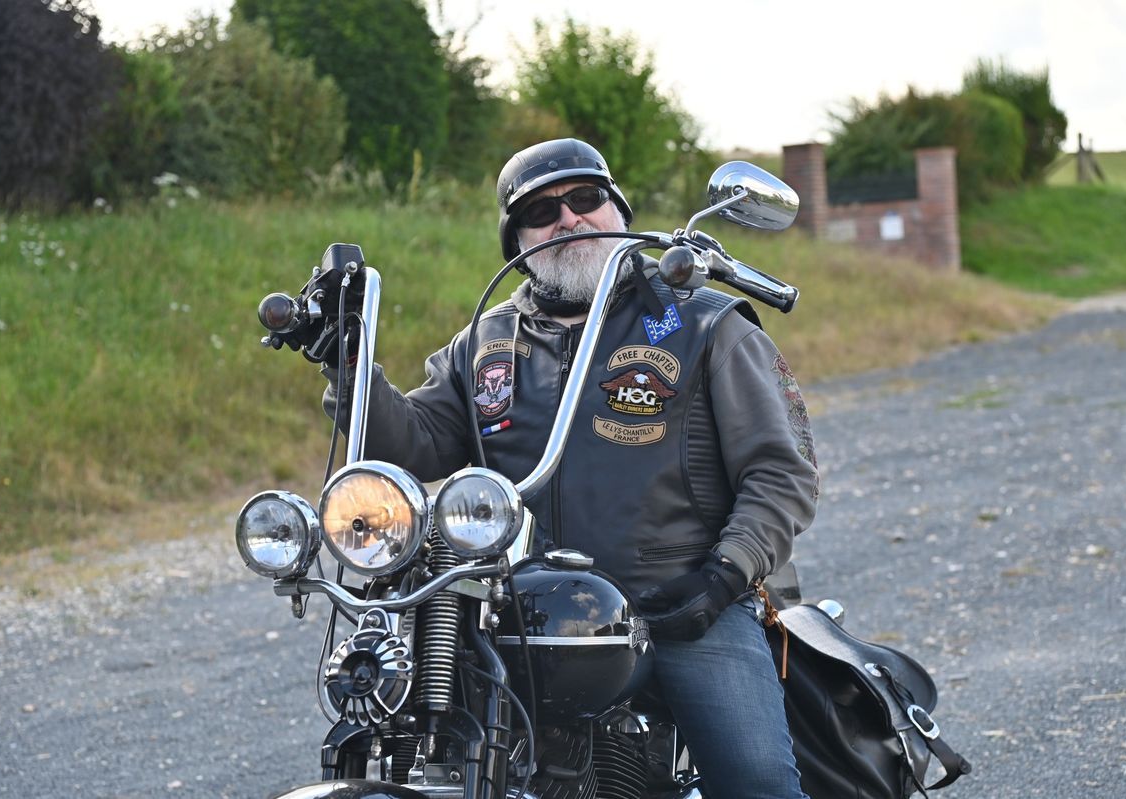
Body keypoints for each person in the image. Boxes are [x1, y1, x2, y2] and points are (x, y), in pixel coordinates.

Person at [323, 138, 819, 799]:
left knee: (756, 782)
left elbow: (782, 472)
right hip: (526, 610)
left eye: (585, 198)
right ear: (517, 241)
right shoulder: (488, 340)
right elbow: (419, 442)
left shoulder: (705, 323)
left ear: (618, 211)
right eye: (540, 211)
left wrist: (723, 575)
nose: (568, 218)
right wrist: (350, 364)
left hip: (681, 599)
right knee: (428, 745)